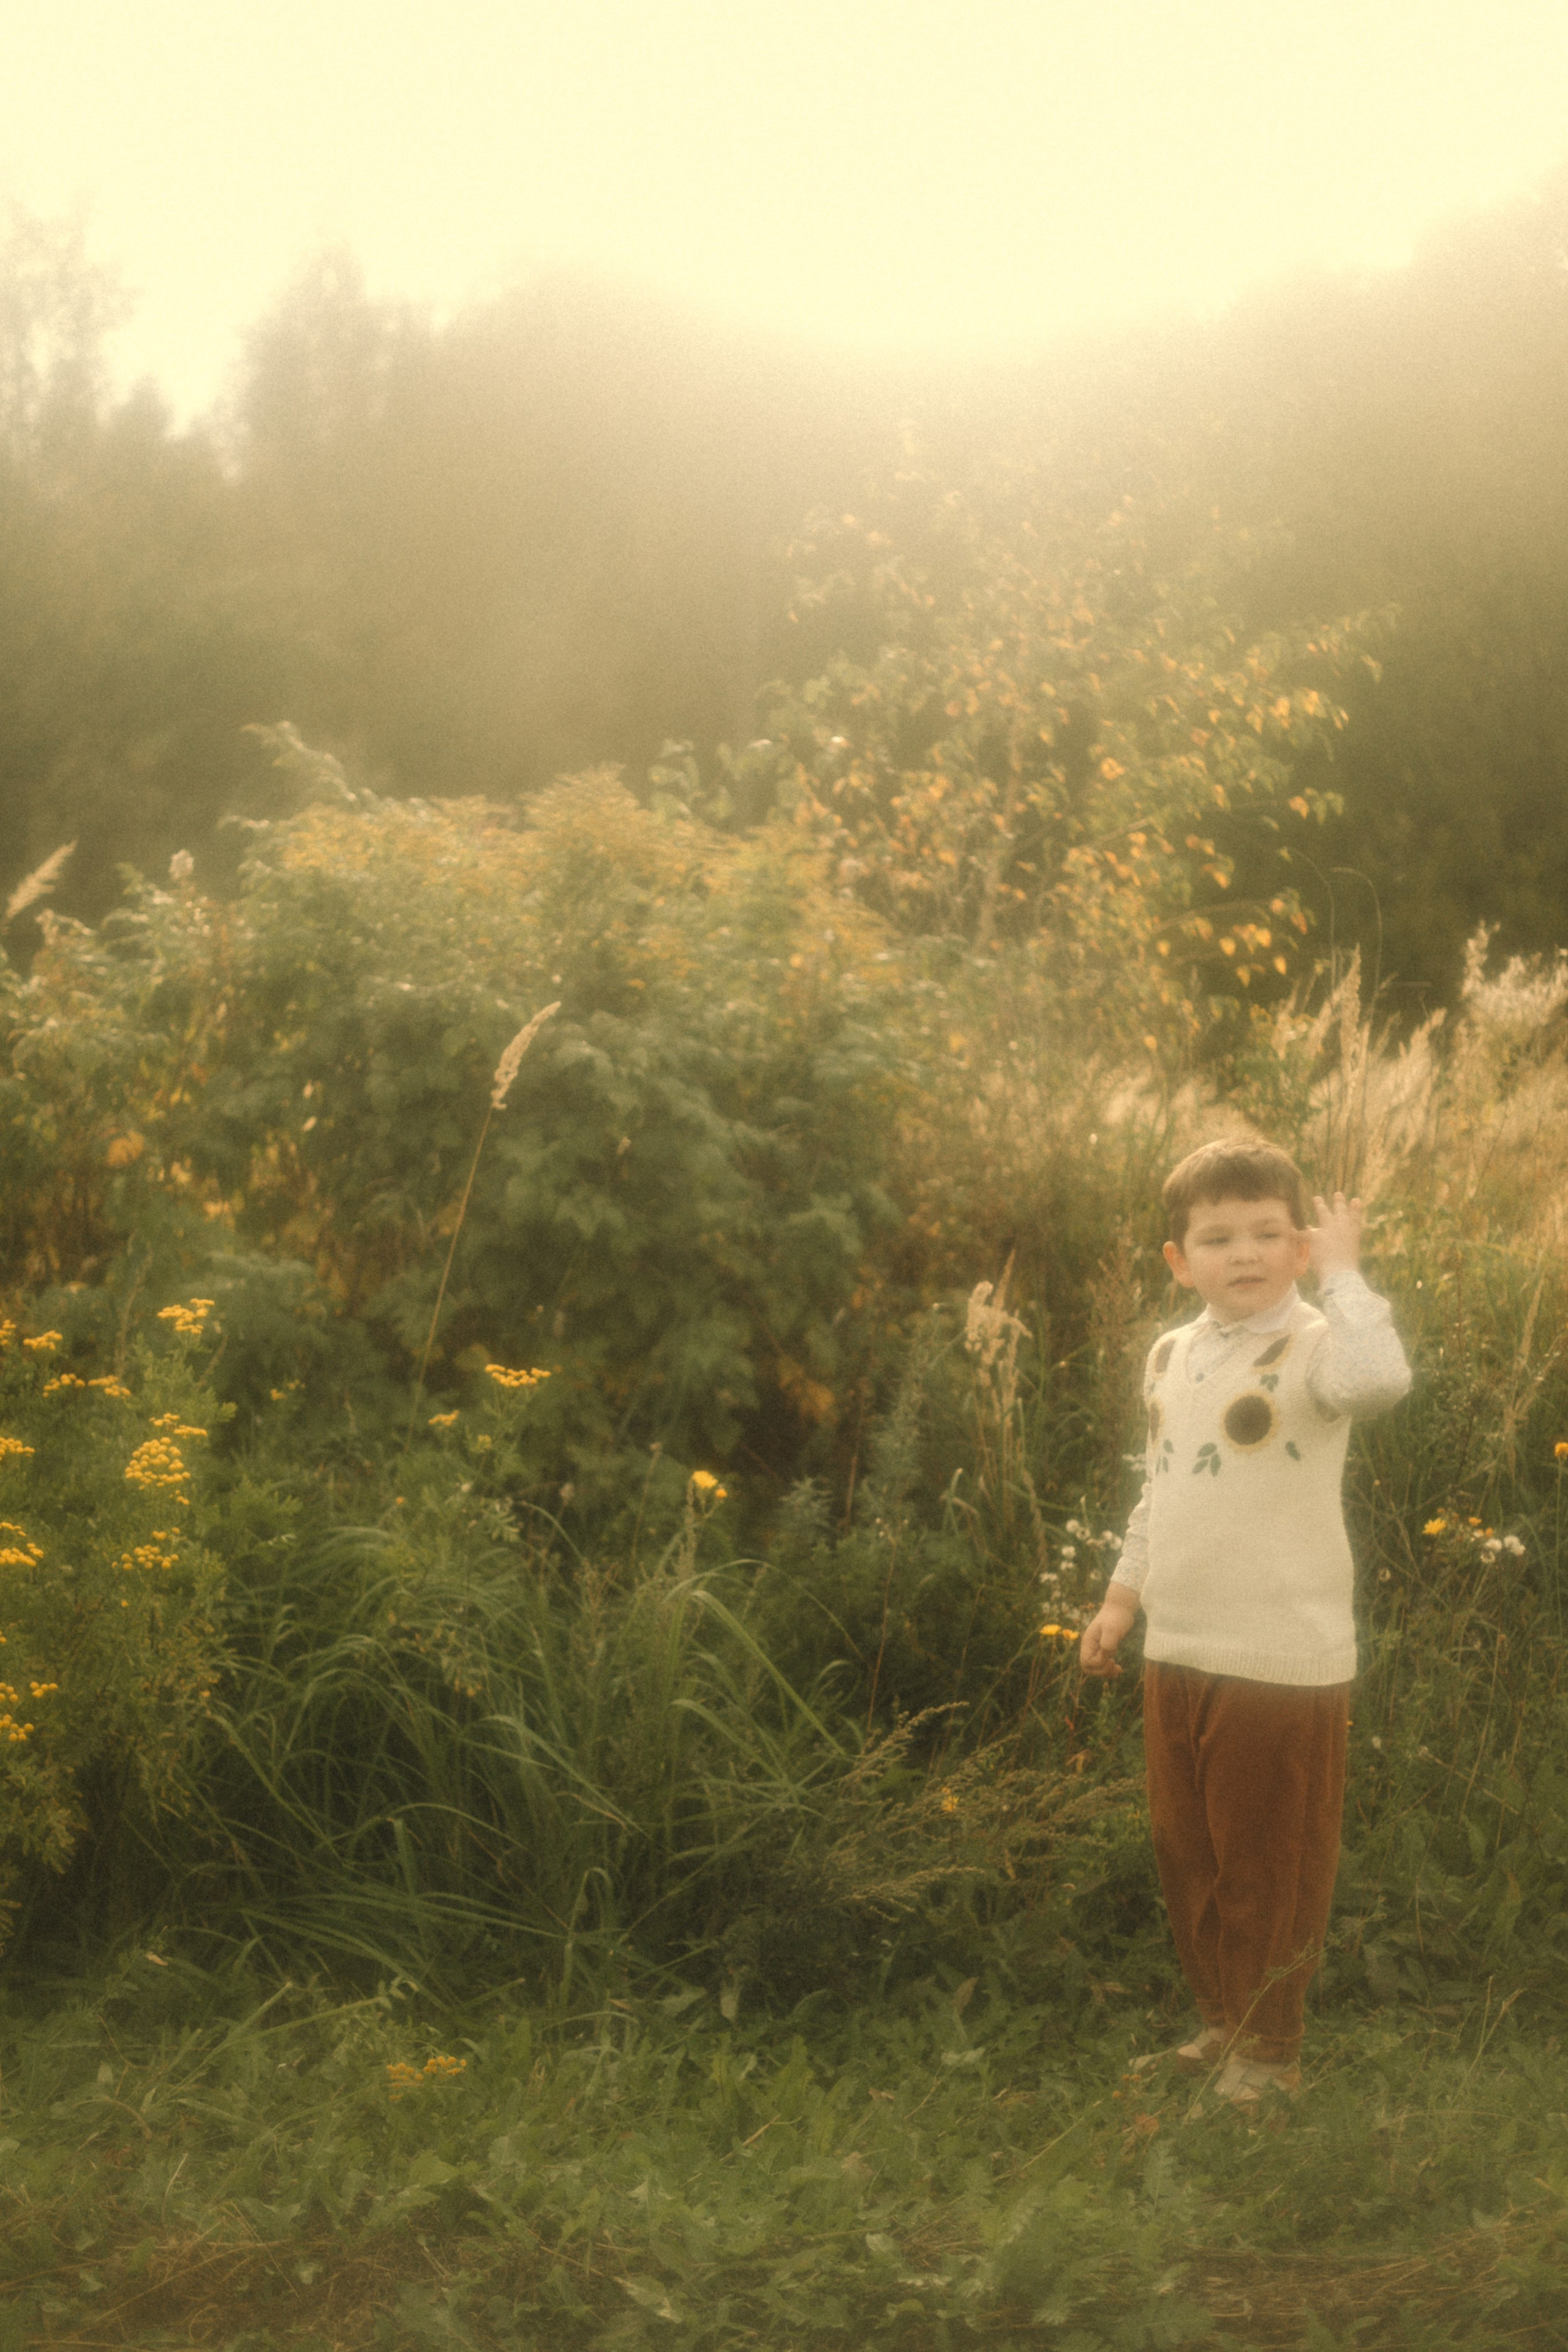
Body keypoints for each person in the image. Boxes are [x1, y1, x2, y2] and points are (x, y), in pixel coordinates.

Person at [1079, 1136, 1411, 2105]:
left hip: (1281, 1657)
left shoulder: (1317, 1348)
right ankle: (1222, 2021)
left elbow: (1380, 1383)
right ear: (1180, 1261)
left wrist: (1349, 1281)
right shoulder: (1173, 1354)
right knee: (1194, 1852)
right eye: (1218, 1237)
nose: (1246, 1253)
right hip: (1178, 1646)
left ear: (1300, 1249)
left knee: (1271, 1856)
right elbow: (1162, 1489)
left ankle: (1272, 2050)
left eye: (1270, 1233)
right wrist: (1119, 1598)